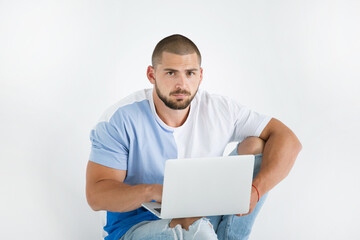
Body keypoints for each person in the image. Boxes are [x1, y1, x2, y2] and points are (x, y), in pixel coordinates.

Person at [86, 34, 302, 240]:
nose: (182, 84)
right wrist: (152, 191)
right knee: (198, 233)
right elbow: (96, 195)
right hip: (136, 228)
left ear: (200, 75)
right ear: (152, 75)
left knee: (257, 145)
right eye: (171, 73)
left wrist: (256, 190)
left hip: (202, 216)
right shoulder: (121, 119)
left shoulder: (220, 109)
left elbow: (288, 139)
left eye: (189, 73)